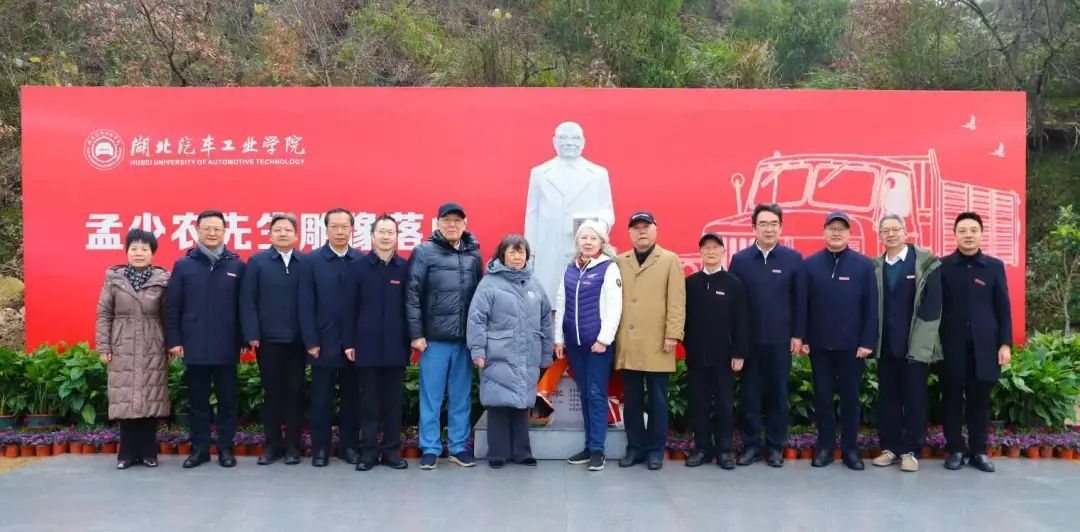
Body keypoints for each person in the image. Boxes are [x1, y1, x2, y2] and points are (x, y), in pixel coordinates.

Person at [165, 210, 246, 469]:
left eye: (217, 229)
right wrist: (174, 340)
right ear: (197, 231)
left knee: (227, 402)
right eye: (207, 228)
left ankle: (226, 449)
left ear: (225, 232)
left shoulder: (237, 265)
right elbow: (172, 307)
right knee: (198, 402)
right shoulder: (184, 265)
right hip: (194, 345)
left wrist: (244, 339)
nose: (212, 233)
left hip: (226, 345)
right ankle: (199, 450)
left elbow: (244, 307)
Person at [406, 202, 483, 470]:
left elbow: (480, 299)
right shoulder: (424, 252)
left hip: (464, 340)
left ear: (465, 224)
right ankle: (430, 448)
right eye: (447, 220)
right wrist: (416, 334)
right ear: (437, 223)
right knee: (432, 396)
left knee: (461, 396)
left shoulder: (473, 254)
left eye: (457, 220)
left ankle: (458, 447)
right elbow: (412, 295)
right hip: (434, 340)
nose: (452, 225)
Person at [727, 203, 806, 468]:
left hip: (779, 341)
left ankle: (775, 447)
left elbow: (800, 300)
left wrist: (798, 335)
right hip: (749, 343)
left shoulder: (793, 259)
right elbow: (733, 304)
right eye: (763, 224)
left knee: (778, 395)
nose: (769, 228)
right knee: (749, 396)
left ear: (780, 227)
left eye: (774, 224)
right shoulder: (740, 260)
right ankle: (750, 445)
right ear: (754, 228)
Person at [467, 235, 553, 469]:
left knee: (522, 403)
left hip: (527, 353)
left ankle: (522, 452)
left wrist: (546, 354)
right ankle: (497, 453)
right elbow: (477, 319)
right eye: (512, 252)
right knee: (498, 403)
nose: (517, 256)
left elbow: (546, 320)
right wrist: (478, 350)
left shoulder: (534, 284)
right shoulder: (489, 283)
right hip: (498, 352)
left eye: (521, 252)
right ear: (502, 254)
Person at [801, 211, 878, 471]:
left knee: (850, 400)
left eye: (841, 229)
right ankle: (824, 447)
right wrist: (804, 337)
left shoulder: (864, 265)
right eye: (831, 228)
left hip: (852, 347)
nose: (836, 233)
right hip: (819, 345)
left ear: (849, 234)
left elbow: (871, 306)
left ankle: (850, 450)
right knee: (823, 398)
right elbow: (803, 305)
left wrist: (867, 341)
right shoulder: (810, 265)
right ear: (824, 232)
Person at [939, 211, 1012, 473]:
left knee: (979, 401)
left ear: (981, 234)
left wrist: (1005, 344)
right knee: (951, 399)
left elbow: (1003, 308)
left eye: (973, 230)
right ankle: (955, 450)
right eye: (962, 231)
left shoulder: (994, 266)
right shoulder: (942, 266)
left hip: (985, 347)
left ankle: (979, 451)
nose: (968, 235)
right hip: (951, 345)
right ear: (955, 235)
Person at [870, 214, 942, 473]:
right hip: (886, 345)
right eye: (885, 230)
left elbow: (932, 308)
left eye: (895, 229)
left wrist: (921, 347)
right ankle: (889, 448)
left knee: (914, 398)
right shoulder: (875, 267)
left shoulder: (926, 263)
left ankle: (911, 450)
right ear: (879, 235)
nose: (891, 234)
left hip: (915, 346)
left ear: (906, 231)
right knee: (888, 398)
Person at [615, 211, 686, 471]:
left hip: (658, 342)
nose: (642, 231)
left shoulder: (669, 260)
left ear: (656, 230)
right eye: (636, 228)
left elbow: (677, 301)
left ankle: (656, 450)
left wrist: (673, 334)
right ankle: (634, 447)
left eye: (646, 226)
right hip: (629, 341)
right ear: (629, 233)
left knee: (657, 400)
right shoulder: (619, 261)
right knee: (632, 400)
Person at [95, 229, 171, 469]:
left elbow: (168, 315)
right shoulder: (114, 279)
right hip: (122, 345)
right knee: (125, 398)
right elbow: (104, 314)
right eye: (134, 248)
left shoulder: (162, 280)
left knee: (150, 397)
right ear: (127, 251)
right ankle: (126, 454)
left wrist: (171, 344)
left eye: (144, 249)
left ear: (152, 253)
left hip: (152, 345)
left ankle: (149, 452)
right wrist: (103, 346)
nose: (139, 253)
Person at [344, 214, 411, 471]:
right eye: (381, 232)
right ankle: (369, 452)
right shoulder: (358, 267)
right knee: (369, 403)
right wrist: (349, 342)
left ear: (396, 237)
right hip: (366, 346)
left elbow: (411, 307)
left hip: (396, 345)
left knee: (393, 403)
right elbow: (348, 308)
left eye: (390, 232)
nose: (385, 236)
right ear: (372, 236)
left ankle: (392, 451)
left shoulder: (405, 268)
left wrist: (411, 339)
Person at [554, 220, 622, 471]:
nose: (588, 242)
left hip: (597, 346)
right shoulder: (570, 269)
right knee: (584, 394)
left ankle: (597, 450)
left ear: (601, 242)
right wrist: (559, 339)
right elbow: (561, 304)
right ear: (577, 242)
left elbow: (615, 307)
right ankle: (588, 445)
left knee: (596, 394)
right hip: (575, 345)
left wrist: (604, 340)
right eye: (583, 238)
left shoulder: (608, 268)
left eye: (593, 238)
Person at [239, 213, 306, 466]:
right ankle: (272, 445)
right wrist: (252, 333)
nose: (283, 233)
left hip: (298, 340)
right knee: (272, 393)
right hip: (268, 340)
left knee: (295, 393)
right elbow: (247, 300)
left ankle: (292, 446)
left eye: (288, 230)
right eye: (278, 230)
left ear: (296, 235)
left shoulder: (305, 262)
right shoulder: (257, 262)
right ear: (269, 235)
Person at [525, 121, 615, 305]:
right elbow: (532, 215)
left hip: (585, 249)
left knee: (583, 303)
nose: (569, 142)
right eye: (563, 138)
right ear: (554, 141)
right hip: (549, 250)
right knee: (549, 303)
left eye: (575, 138)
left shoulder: (598, 174)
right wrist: (530, 253)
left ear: (583, 142)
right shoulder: (540, 173)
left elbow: (607, 210)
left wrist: (594, 229)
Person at [299, 208, 362, 467]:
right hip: (322, 343)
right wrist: (311, 341)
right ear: (325, 229)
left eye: (344, 226)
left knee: (351, 399)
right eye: (334, 226)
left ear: (352, 229)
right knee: (321, 400)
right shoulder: (311, 261)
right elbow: (305, 304)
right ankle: (321, 449)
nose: (339, 231)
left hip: (352, 345)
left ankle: (349, 448)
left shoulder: (360, 260)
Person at [683, 233, 749, 470]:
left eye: (715, 247)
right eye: (706, 248)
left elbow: (741, 321)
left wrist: (739, 353)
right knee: (699, 402)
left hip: (725, 356)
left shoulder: (734, 283)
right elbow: (682, 318)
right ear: (700, 253)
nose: (710, 251)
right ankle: (701, 448)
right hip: (696, 355)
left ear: (723, 251)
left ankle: (724, 450)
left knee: (724, 403)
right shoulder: (690, 283)